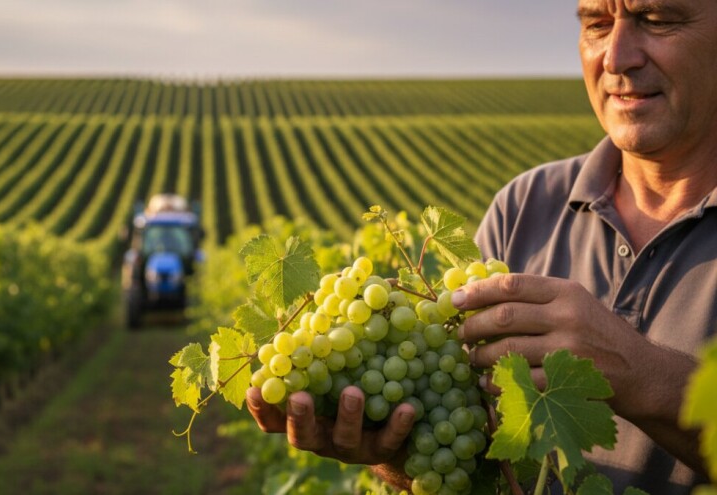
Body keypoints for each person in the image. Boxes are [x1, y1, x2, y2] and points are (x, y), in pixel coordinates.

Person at [245, 0, 717, 493]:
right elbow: (474, 463)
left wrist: (639, 373)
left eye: (658, 20)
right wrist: (398, 452)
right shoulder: (523, 207)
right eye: (597, 24)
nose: (616, 57)